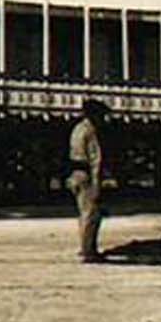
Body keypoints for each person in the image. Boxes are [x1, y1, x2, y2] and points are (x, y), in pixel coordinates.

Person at [67, 99, 108, 262]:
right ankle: (88, 250)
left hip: (75, 173)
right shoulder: (91, 131)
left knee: (83, 212)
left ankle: (86, 247)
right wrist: (97, 184)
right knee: (91, 214)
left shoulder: (77, 129)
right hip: (86, 175)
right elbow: (96, 160)